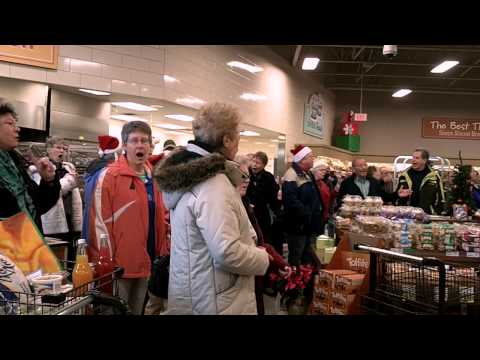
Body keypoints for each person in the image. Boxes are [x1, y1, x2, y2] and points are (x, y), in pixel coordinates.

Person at [154, 102, 270, 315]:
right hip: (216, 299)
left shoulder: (189, 178)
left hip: (195, 292)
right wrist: (262, 258)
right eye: (237, 134)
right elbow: (227, 251)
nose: (238, 141)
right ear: (226, 140)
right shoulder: (213, 184)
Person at [86, 121, 168, 315]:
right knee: (114, 311)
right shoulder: (109, 176)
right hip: (119, 267)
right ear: (124, 145)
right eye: (134, 141)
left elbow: (161, 219)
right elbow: (98, 224)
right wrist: (106, 264)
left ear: (150, 146)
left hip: (147, 262)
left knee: (137, 311)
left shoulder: (154, 178)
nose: (140, 145)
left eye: (144, 141)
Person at [234, 155, 291, 315]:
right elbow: (230, 251)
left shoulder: (242, 201)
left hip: (249, 278)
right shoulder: (228, 205)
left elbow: (257, 242)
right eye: (242, 176)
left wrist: (275, 261)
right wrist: (267, 259)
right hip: (236, 284)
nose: (247, 180)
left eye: (248, 176)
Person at [0, 103, 60, 230]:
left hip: (26, 244)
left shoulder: (15, 164)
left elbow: (39, 205)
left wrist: (48, 181)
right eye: (10, 124)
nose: (18, 129)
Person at [34, 136, 82, 262]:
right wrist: (69, 182)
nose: (62, 151)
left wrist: (75, 182)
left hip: (70, 221)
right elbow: (48, 193)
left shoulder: (68, 168)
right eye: (58, 147)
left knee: (71, 259)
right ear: (48, 150)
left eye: (64, 149)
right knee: (55, 259)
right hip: (53, 226)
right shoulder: (39, 168)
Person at [282, 145, 323, 267]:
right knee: (296, 258)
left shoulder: (308, 173)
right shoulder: (291, 175)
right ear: (302, 160)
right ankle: (294, 284)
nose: (313, 159)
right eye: (310, 157)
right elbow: (291, 202)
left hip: (308, 225)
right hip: (297, 227)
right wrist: (307, 214)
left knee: (307, 257)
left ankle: (306, 282)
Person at [81, 135, 121, 240]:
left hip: (90, 213)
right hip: (102, 215)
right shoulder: (107, 171)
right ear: (114, 154)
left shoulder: (93, 167)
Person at [396, 148, 446, 215]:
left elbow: (441, 197)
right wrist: (399, 195)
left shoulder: (434, 176)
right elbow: (396, 195)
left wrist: (437, 213)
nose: (413, 160)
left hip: (426, 214)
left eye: (417, 158)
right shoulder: (404, 175)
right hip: (407, 215)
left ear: (424, 160)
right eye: (413, 157)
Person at [246, 151, 281, 245]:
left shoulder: (268, 177)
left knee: (263, 239)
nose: (254, 165)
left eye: (258, 163)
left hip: (262, 214)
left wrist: (277, 212)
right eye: (253, 162)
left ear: (264, 165)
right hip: (247, 212)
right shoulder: (246, 174)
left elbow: (273, 198)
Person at [311, 160, 337, 233]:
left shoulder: (323, 183)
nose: (324, 172)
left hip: (323, 216)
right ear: (314, 170)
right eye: (321, 170)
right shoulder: (310, 183)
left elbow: (330, 197)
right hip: (313, 217)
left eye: (325, 170)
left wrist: (336, 189)